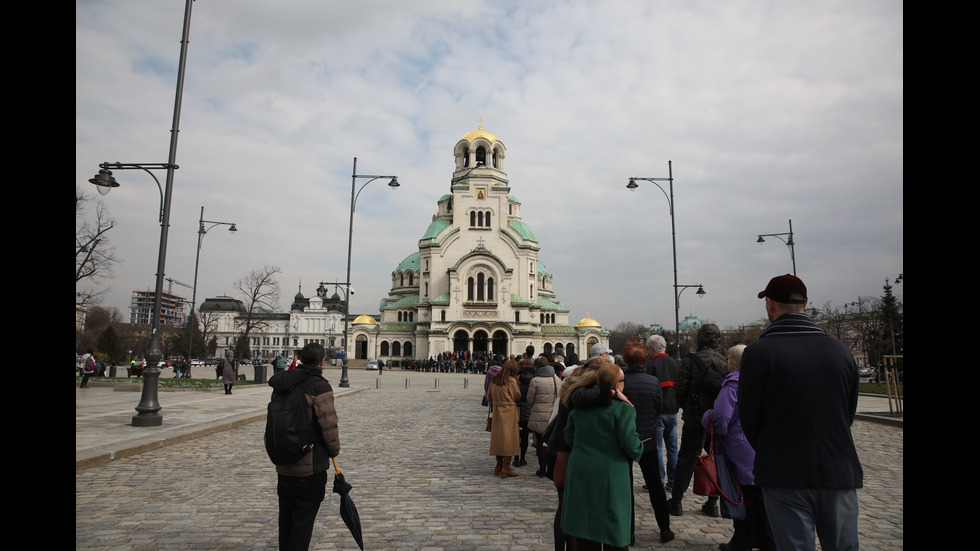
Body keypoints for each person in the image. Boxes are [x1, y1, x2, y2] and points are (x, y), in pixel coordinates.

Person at [739, 274, 863, 551]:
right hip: (837, 468)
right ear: (806, 304)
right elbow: (848, 412)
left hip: (783, 470)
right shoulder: (840, 351)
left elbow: (749, 418)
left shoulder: (759, 352)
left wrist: (773, 447)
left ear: (770, 305)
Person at [546, 356, 632, 551]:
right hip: (566, 453)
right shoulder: (579, 390)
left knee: (569, 508)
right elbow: (580, 398)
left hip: (564, 451)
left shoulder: (574, 383)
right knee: (569, 510)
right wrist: (611, 392)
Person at [562, 362, 644, 550]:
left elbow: (569, 436)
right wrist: (640, 448)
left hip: (580, 469)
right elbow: (631, 444)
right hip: (611, 471)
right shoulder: (624, 410)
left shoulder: (579, 407)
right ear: (617, 385)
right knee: (613, 524)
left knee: (583, 526)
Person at [701, 344, 775, 551]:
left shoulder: (732, 385)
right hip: (761, 445)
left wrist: (706, 416)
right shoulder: (764, 381)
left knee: (742, 497)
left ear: (733, 363)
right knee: (759, 497)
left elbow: (721, 419)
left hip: (739, 447)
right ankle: (766, 541)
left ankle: (742, 541)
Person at [268, 342, 341, 551]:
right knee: (303, 521)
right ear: (322, 361)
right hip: (310, 466)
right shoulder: (320, 386)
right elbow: (328, 425)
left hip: (283, 463)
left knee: (286, 520)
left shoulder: (282, 384)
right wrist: (334, 450)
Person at [670, 323, 728, 517]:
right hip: (716, 420)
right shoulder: (724, 362)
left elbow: (680, 389)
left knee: (686, 458)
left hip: (694, 419)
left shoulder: (691, 361)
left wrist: (684, 407)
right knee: (714, 458)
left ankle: (677, 501)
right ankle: (712, 502)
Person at [621, 342, 674, 545]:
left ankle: (629, 533)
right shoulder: (653, 382)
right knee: (655, 487)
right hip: (648, 440)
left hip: (625, 440)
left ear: (626, 361)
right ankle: (665, 529)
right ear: (645, 360)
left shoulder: (621, 382)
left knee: (624, 489)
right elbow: (658, 407)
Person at [645, 334, 679, 492]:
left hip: (658, 412)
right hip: (673, 411)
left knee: (657, 448)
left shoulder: (651, 364)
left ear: (652, 349)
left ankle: (658, 480)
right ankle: (673, 481)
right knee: (672, 448)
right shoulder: (675, 363)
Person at [525, 355, 563, 477]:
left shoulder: (535, 380)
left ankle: (542, 469)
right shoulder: (557, 379)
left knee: (540, 443)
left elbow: (529, 400)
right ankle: (552, 468)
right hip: (553, 415)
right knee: (551, 442)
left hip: (538, 415)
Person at [487, 359, 522, 478]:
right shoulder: (511, 380)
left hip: (497, 412)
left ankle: (498, 466)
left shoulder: (494, 380)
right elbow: (517, 396)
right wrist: (517, 383)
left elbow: (489, 397)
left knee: (499, 440)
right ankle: (506, 468)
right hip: (509, 412)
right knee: (509, 440)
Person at [515, 355, 535, 467]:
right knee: (525, 435)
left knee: (515, 435)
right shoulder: (534, 378)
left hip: (516, 409)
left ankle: (516, 457)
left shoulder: (516, 378)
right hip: (527, 409)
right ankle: (523, 458)